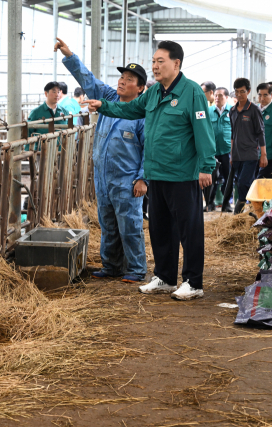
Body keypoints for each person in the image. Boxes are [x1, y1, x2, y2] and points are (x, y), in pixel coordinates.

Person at [81, 40, 216, 301]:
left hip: (182, 173)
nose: (154, 66)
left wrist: (206, 166)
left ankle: (193, 281)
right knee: (160, 228)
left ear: (176, 64)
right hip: (157, 174)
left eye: (160, 61)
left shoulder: (191, 93)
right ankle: (164, 278)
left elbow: (204, 132)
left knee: (189, 230)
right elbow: (130, 109)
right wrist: (104, 106)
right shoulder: (153, 94)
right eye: (153, 61)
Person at [55, 38, 148, 283]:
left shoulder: (141, 114)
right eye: (121, 77)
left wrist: (142, 178)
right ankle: (112, 266)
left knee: (130, 225)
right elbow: (88, 80)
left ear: (140, 88)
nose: (122, 81)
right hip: (103, 176)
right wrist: (70, 55)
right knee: (107, 223)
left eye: (129, 80)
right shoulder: (109, 98)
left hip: (128, 179)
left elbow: (150, 149)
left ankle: (137, 269)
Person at [227, 78, 266, 214]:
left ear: (248, 91)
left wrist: (263, 155)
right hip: (237, 155)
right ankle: (247, 210)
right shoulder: (232, 111)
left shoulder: (254, 109)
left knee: (244, 182)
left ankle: (241, 209)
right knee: (239, 183)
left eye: (242, 92)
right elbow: (232, 134)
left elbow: (261, 133)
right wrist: (231, 154)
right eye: (236, 92)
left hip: (250, 154)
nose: (239, 95)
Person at [204, 87, 233, 213]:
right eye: (215, 95)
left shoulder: (232, 111)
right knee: (211, 179)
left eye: (220, 95)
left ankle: (226, 204)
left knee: (228, 178)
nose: (217, 98)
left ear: (226, 97)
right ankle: (209, 204)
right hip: (212, 152)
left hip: (228, 151)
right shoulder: (208, 111)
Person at [26, 82, 68, 150]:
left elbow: (69, 130)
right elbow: (28, 131)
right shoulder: (36, 112)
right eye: (54, 92)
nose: (57, 95)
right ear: (46, 93)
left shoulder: (64, 112)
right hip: (41, 151)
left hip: (60, 151)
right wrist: (28, 150)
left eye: (58, 92)